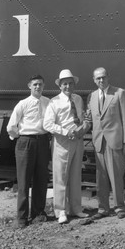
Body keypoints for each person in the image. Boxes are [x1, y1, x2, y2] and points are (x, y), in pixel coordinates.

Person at [43, 69, 90, 224]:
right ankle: (60, 210)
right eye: (65, 84)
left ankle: (76, 208)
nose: (68, 86)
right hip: (62, 141)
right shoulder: (54, 102)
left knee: (76, 175)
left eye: (70, 83)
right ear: (60, 86)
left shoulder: (78, 99)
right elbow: (48, 124)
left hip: (77, 140)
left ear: (74, 84)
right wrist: (65, 132)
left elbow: (81, 117)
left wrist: (82, 129)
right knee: (60, 176)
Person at [86, 67, 125, 220]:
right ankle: (103, 208)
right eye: (98, 78)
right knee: (101, 178)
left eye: (103, 77)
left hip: (115, 141)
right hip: (99, 142)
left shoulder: (120, 93)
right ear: (94, 80)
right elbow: (90, 119)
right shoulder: (92, 96)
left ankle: (119, 207)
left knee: (116, 176)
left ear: (108, 77)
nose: (101, 80)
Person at [6, 74, 51, 228]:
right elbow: (11, 126)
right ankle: (21, 217)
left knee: (41, 178)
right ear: (29, 86)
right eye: (35, 84)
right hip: (26, 142)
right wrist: (22, 138)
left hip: (43, 141)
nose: (38, 87)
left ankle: (38, 213)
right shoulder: (22, 104)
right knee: (24, 180)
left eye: (40, 84)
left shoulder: (48, 103)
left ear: (44, 86)